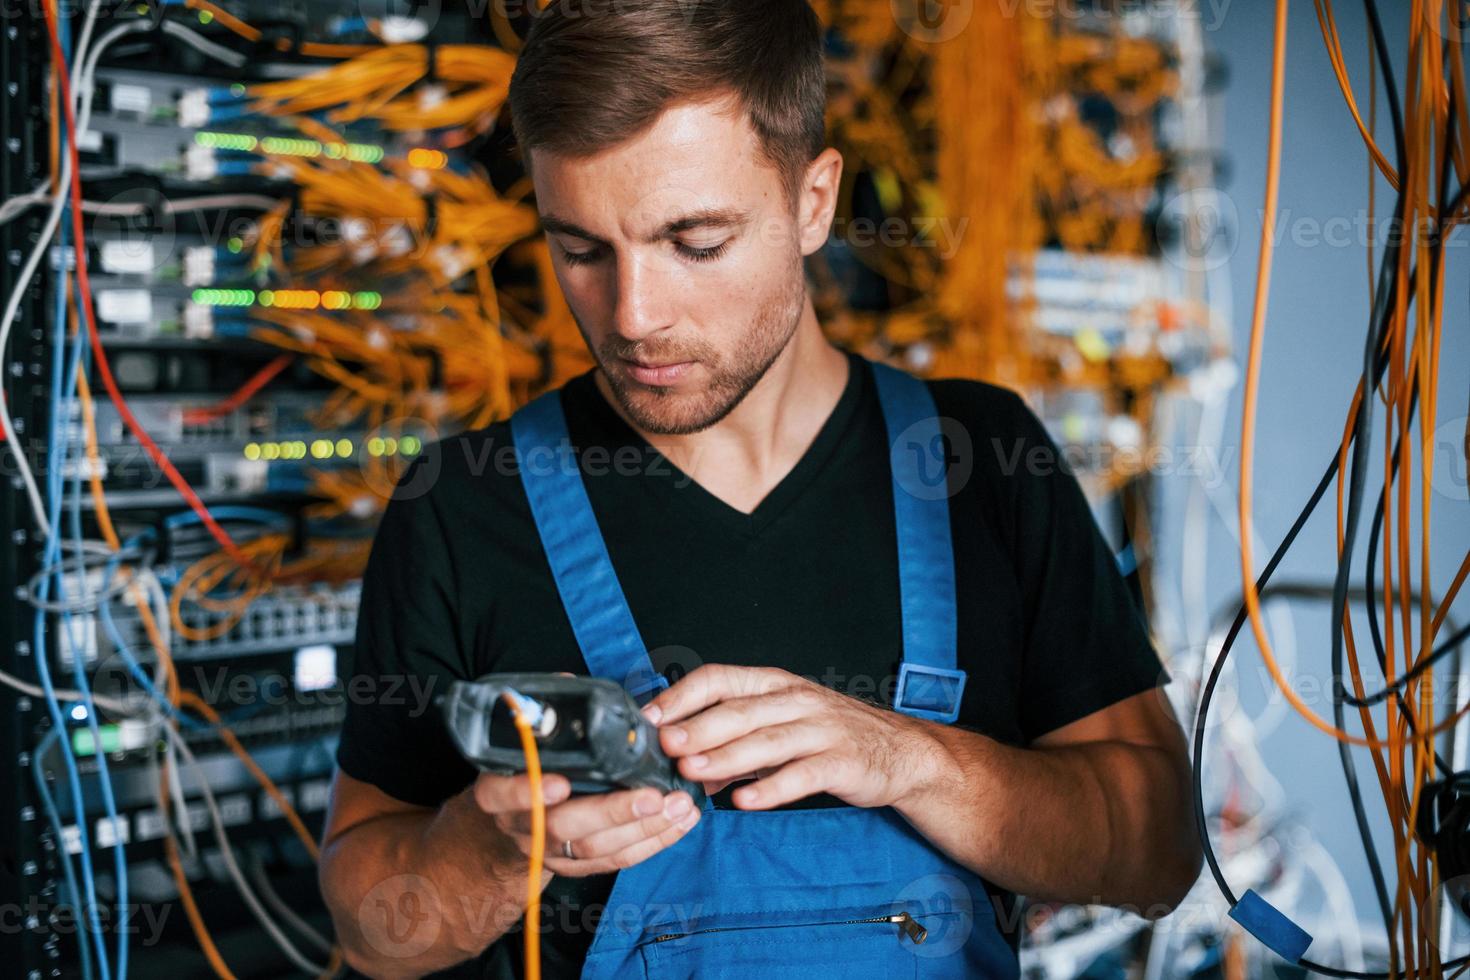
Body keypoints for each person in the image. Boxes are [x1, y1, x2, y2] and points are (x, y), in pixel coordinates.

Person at [318, 1, 1202, 976]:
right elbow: (369, 926)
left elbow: (1158, 850)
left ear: (813, 200)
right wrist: (482, 856)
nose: (635, 315)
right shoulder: (461, 504)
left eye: (694, 242)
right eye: (581, 249)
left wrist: (914, 761)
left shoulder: (980, 461)